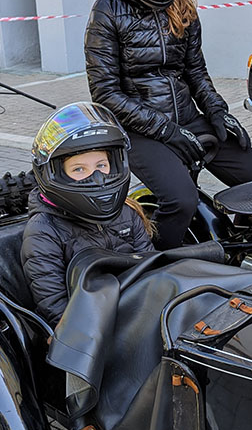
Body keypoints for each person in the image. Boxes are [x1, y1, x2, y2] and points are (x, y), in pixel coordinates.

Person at [86, 0, 252, 249]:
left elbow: (196, 71)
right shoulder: (106, 12)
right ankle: (158, 264)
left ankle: (243, 252)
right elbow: (105, 94)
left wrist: (217, 111)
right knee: (181, 201)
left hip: (187, 119)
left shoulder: (182, 5)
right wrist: (165, 131)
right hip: (138, 131)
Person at [21, 102, 155, 326]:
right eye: (79, 169)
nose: (97, 178)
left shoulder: (127, 213)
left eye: (101, 166)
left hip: (137, 311)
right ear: (56, 175)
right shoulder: (43, 230)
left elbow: (151, 268)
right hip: (90, 325)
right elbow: (54, 306)